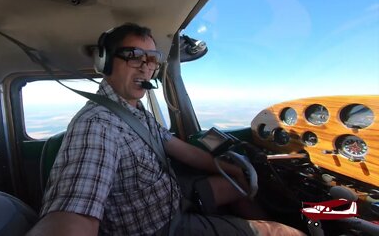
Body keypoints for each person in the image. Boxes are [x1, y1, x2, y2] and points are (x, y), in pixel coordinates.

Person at [27, 23, 306, 235]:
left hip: (172, 197)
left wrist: (228, 167)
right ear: (106, 61)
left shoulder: (134, 111)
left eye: (152, 58)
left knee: (238, 183)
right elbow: (73, 213)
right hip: (161, 227)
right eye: (134, 55)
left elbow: (178, 148)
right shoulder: (97, 126)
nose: (147, 67)